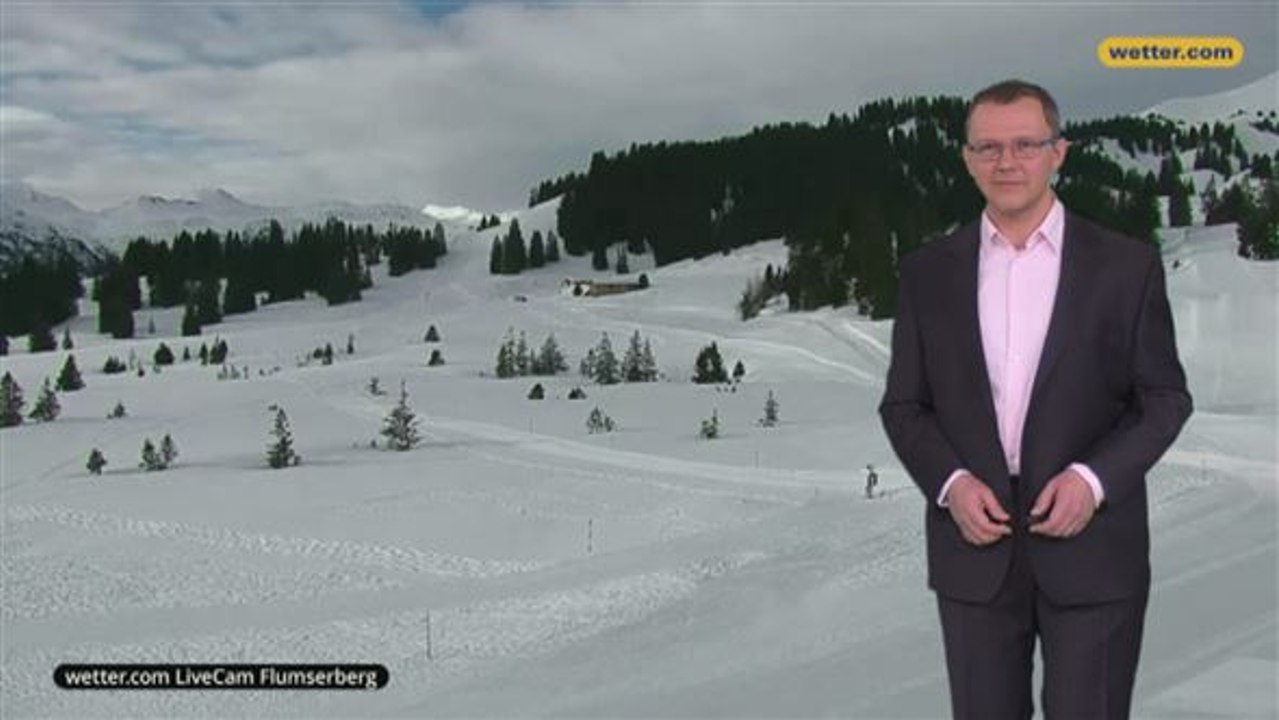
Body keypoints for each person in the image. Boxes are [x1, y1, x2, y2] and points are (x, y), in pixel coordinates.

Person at [878, 79, 1192, 720]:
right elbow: (904, 406)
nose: (1007, 161)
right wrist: (952, 484)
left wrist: (1091, 479)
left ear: (1059, 152)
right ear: (967, 159)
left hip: (1095, 547)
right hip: (974, 550)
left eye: (1026, 143)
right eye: (988, 147)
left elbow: (1164, 398)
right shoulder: (926, 273)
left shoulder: (1125, 267)